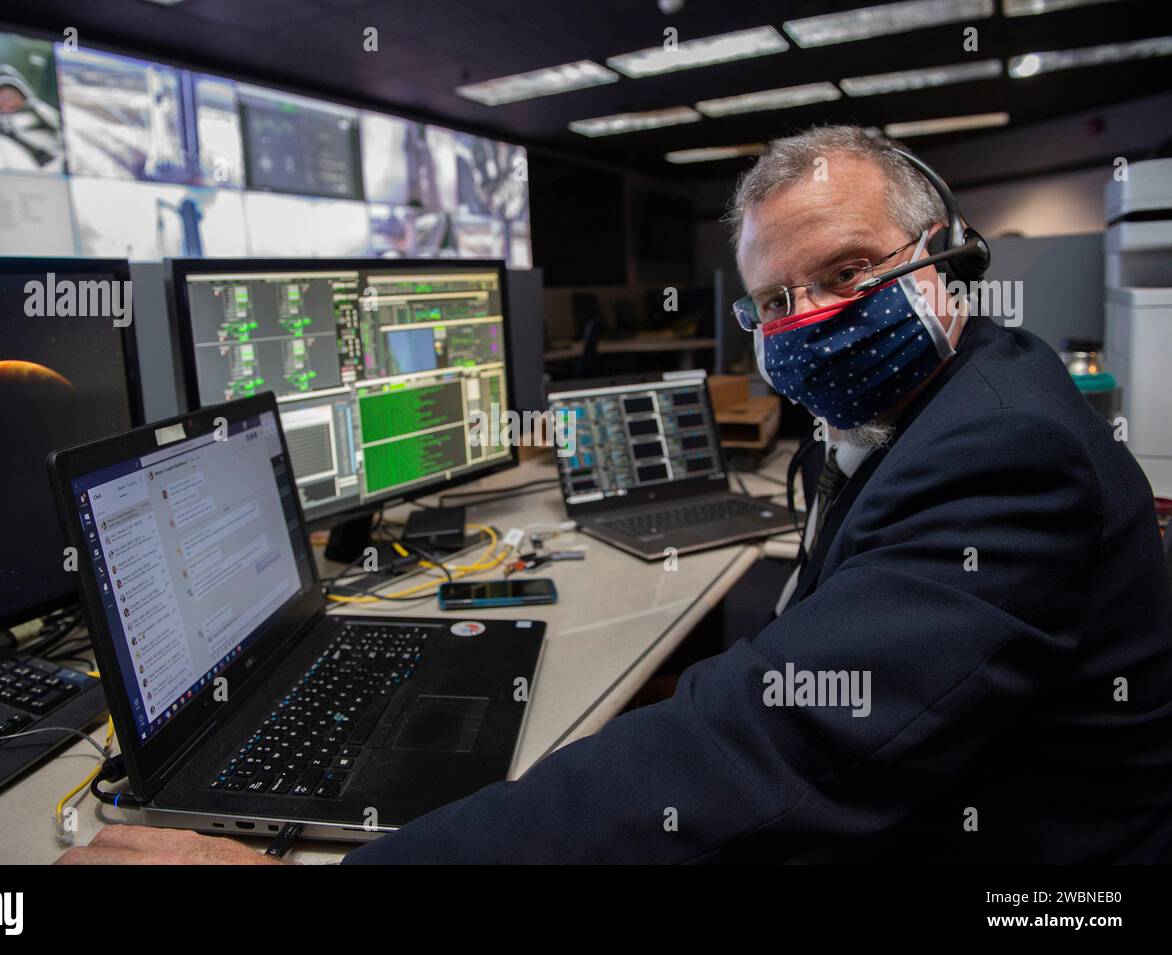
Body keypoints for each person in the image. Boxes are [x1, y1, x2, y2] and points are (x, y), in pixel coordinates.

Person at [60, 125, 1172, 865]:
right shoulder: (942, 396)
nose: (812, 315)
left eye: (846, 271)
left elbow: (777, 748)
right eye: (776, 297)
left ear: (949, 253)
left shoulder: (1005, 450)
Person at [0, 64, 64, 172]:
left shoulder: (55, 121)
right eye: (2, 99)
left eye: (12, 95)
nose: (8, 100)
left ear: (25, 95)